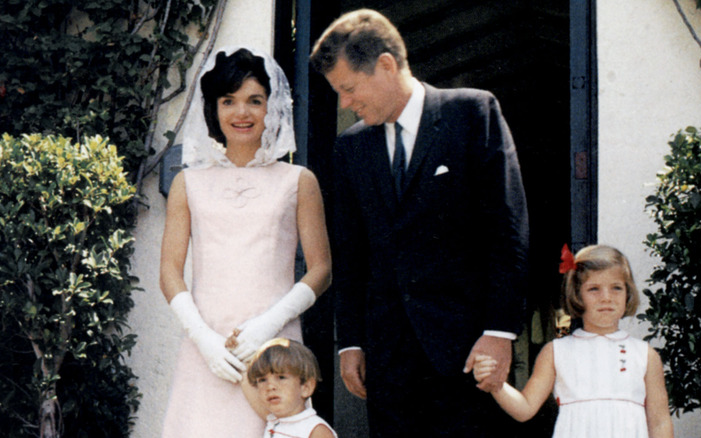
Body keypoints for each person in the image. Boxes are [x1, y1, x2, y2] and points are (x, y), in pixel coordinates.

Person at [309, 9, 529, 437]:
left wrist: (500, 331)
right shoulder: (350, 148)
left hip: (467, 351)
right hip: (388, 360)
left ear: (386, 65)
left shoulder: (473, 113)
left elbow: (508, 231)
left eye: (349, 88)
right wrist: (351, 341)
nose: (345, 103)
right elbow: (351, 253)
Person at [159, 46, 332, 438]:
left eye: (255, 101)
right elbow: (169, 271)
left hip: (274, 352)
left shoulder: (298, 181)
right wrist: (204, 340)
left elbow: (321, 269)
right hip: (208, 351)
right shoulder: (189, 183)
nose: (242, 113)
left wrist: (269, 326)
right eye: (229, 101)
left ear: (272, 108)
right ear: (214, 110)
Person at [473, 245, 674, 438]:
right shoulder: (556, 351)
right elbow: (525, 408)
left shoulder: (645, 354)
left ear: (628, 293)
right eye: (594, 289)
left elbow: (660, 421)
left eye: (616, 288)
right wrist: (496, 384)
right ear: (577, 294)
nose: (606, 297)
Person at [241, 338, 337, 438]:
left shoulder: (315, 429)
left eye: (281, 377)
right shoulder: (274, 420)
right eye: (262, 380)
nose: (270, 386)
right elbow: (246, 381)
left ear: (306, 387)